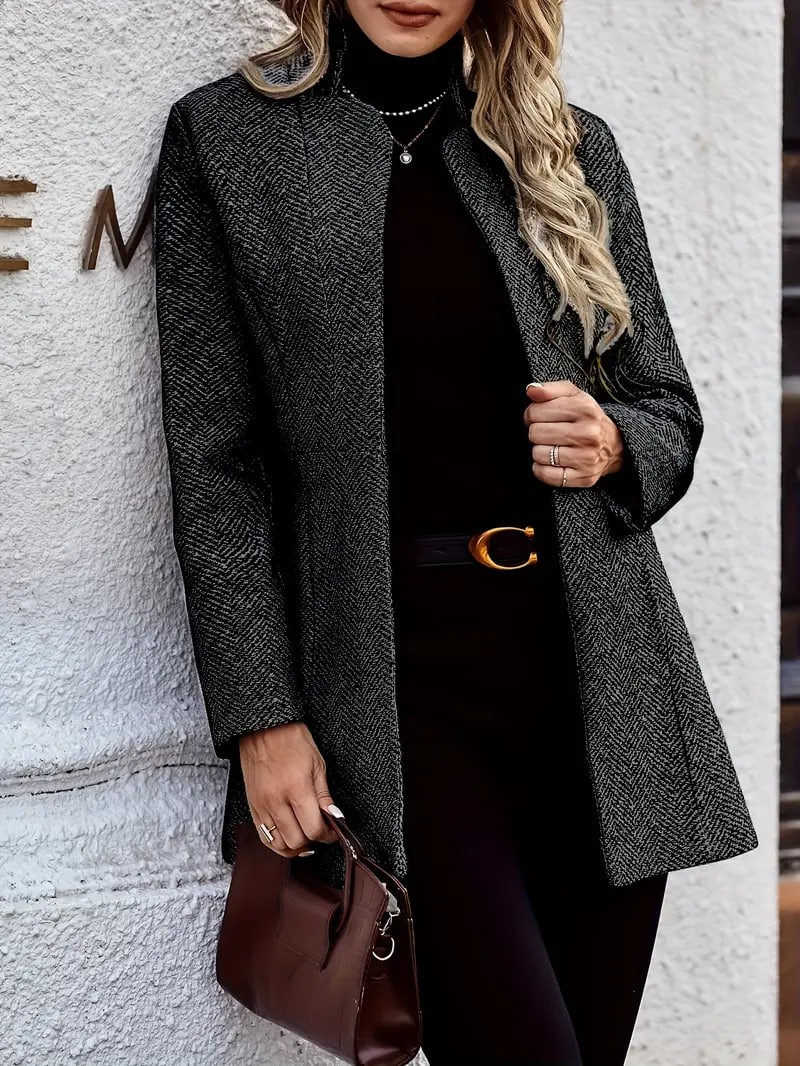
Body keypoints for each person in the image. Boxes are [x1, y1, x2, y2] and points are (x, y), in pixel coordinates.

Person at [153, 1, 759, 1063]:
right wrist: (262, 717)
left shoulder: (565, 145)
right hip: (397, 698)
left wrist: (614, 440)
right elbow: (217, 466)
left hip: (592, 689)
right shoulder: (228, 141)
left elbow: (665, 405)